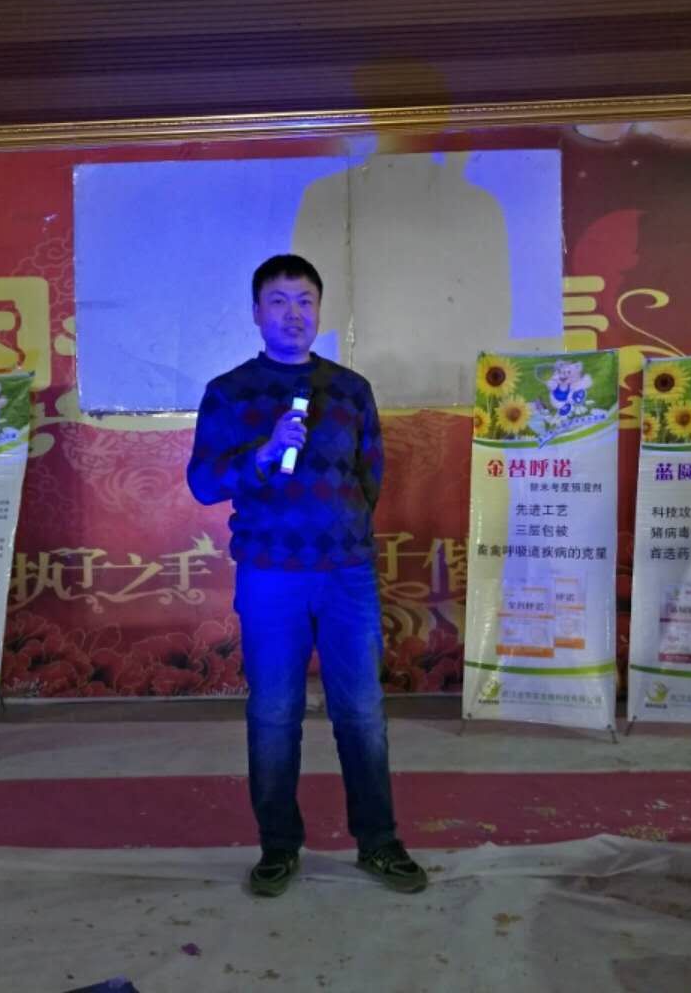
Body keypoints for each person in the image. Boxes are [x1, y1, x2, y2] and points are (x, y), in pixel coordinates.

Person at [186, 253, 427, 898]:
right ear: (256, 313)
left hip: (346, 574)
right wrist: (264, 453)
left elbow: (369, 476)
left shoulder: (350, 389)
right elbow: (203, 482)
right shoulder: (230, 391)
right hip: (271, 575)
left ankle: (379, 842)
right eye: (279, 301)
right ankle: (278, 846)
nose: (293, 314)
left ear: (319, 311)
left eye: (305, 302)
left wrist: (340, 532)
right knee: (274, 713)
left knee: (362, 712)